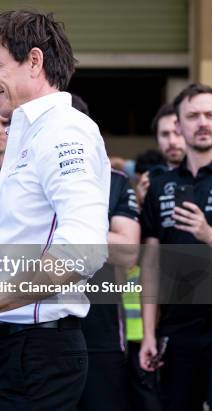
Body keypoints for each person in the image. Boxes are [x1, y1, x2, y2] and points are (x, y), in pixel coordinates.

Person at [0, 10, 110, 410]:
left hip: (38, 351)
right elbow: (14, 234)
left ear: (34, 61)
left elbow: (83, 250)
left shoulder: (64, 129)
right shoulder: (29, 131)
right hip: (15, 350)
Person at [139, 83, 212, 411]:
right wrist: (149, 333)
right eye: (193, 116)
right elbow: (150, 266)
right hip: (177, 329)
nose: (203, 122)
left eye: (210, 115)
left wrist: (207, 234)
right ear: (179, 126)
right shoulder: (160, 187)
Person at [71, 96, 140, 411]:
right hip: (38, 334)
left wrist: (73, 227)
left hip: (101, 333)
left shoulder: (116, 182)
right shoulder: (24, 182)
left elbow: (127, 252)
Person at [135, 104, 186, 204]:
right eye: (165, 134)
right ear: (157, 141)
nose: (172, 141)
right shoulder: (153, 182)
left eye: (178, 133)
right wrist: (141, 203)